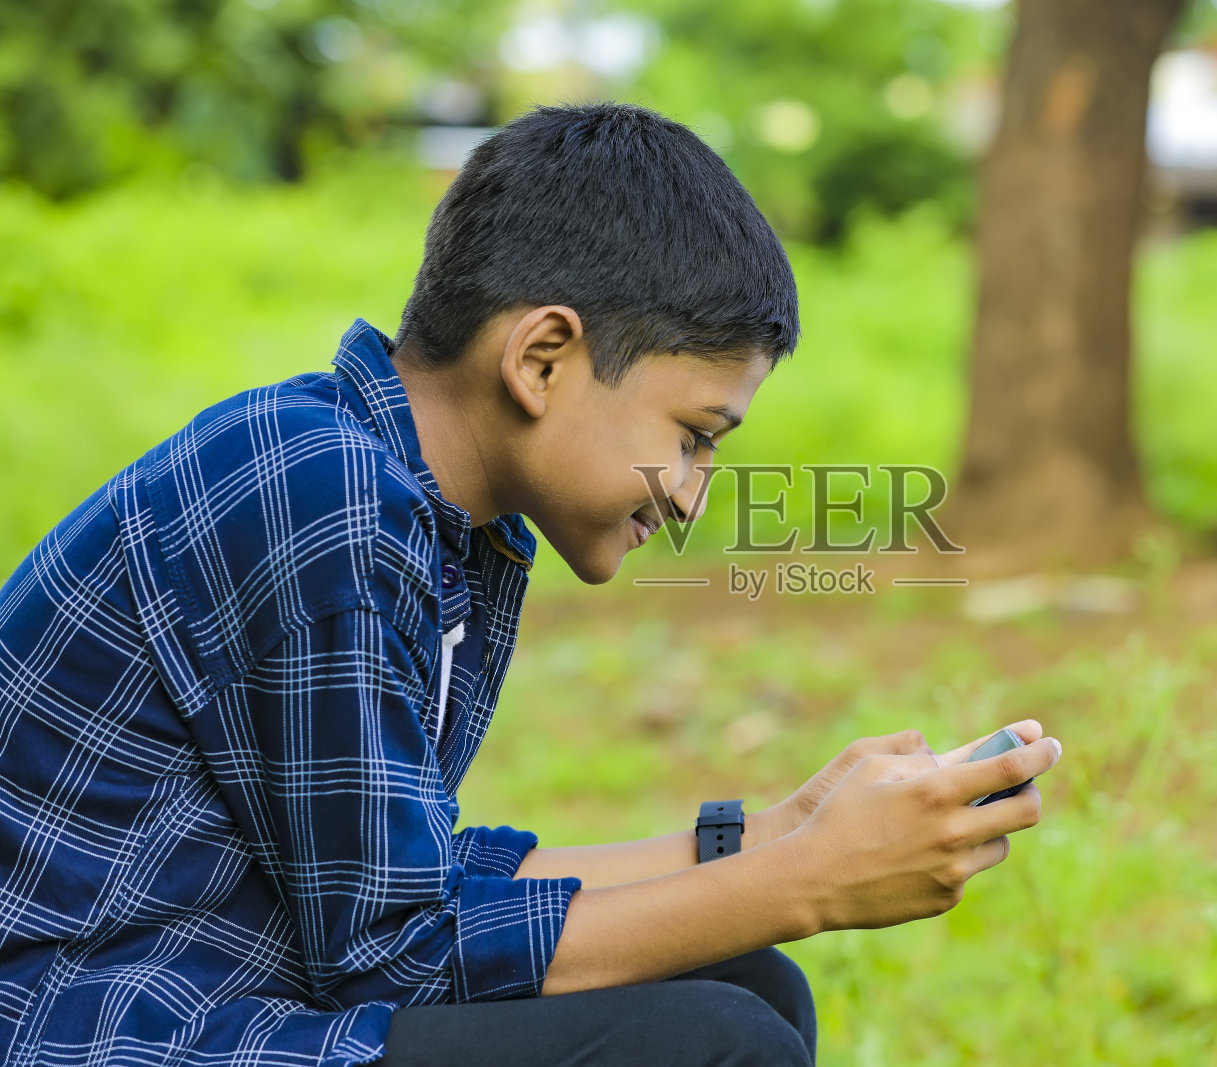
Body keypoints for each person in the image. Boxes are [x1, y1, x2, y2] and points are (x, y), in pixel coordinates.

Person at [0, 102, 1058, 1066]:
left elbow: (403, 886)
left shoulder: (426, 509)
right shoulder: (322, 494)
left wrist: (775, 833)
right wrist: (808, 880)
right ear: (543, 357)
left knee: (746, 982)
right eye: (692, 438)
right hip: (87, 1022)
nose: (690, 498)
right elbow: (394, 957)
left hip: (207, 982)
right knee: (713, 1041)